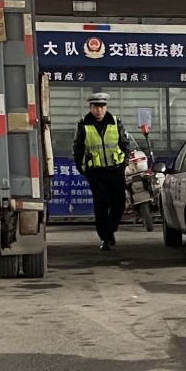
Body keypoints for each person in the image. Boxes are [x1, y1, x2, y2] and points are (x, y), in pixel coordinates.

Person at [73, 93, 133, 252]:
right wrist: (81, 168)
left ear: (106, 107)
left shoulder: (116, 122)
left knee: (118, 205)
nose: (99, 110)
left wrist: (123, 165)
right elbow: (78, 148)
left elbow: (125, 145)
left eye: (102, 107)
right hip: (96, 173)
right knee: (101, 205)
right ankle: (105, 238)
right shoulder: (83, 125)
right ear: (90, 108)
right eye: (95, 107)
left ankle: (110, 230)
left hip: (115, 171)